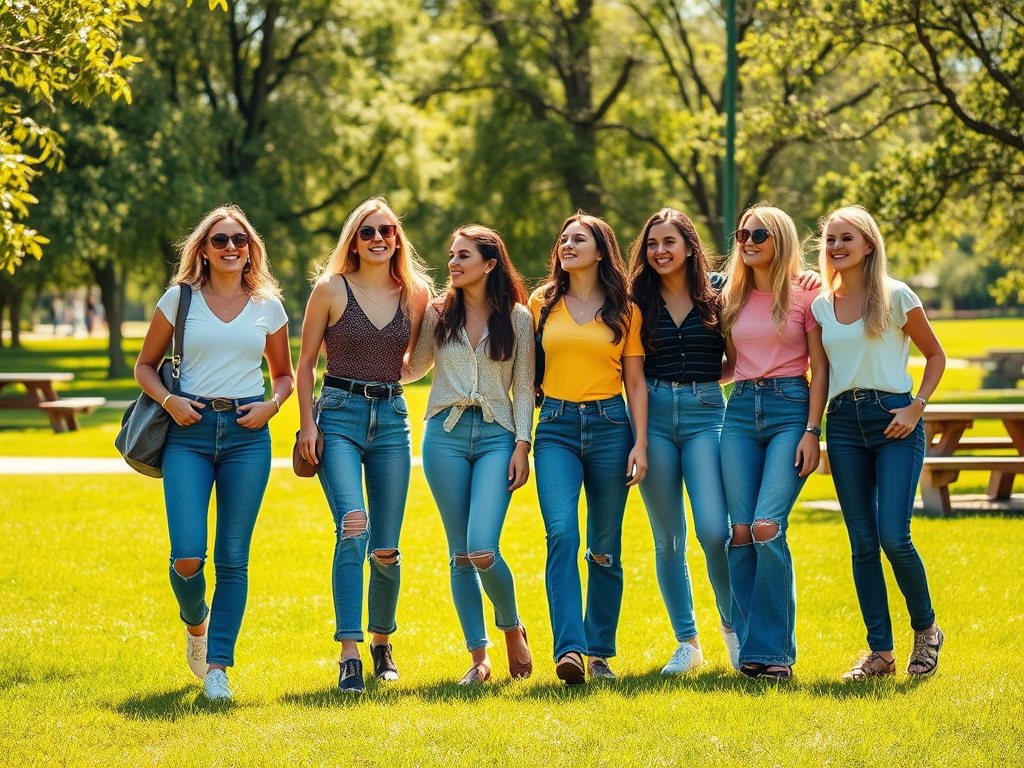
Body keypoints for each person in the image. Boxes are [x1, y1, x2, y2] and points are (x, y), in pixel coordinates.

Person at [134, 204, 294, 701]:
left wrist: (271, 406)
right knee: (187, 557)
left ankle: (219, 668)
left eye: (239, 241)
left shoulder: (268, 306)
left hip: (248, 435)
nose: (230, 248)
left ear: (251, 251)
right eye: (220, 240)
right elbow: (145, 366)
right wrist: (169, 399)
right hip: (190, 431)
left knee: (233, 558)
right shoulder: (179, 299)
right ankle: (195, 621)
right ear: (202, 249)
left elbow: (286, 375)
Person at [295, 197, 431, 694]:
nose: (379, 239)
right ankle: (349, 653)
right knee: (353, 526)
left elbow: (424, 355)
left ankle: (381, 643)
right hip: (339, 414)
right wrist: (308, 424)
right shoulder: (330, 289)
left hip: (392, 418)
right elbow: (305, 363)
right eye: (369, 231)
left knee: (387, 548)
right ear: (354, 238)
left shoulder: (415, 294)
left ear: (397, 238)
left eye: (388, 231)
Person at [812, 205, 946, 680]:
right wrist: (816, 431)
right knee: (863, 543)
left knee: (894, 535)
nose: (836, 247)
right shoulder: (820, 305)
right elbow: (821, 373)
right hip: (844, 424)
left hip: (895, 421)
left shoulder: (896, 296)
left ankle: (927, 631)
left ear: (869, 244)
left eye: (846, 238)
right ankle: (881, 654)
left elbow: (935, 355)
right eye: (830, 239)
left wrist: (917, 407)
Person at [403, 225, 534, 684]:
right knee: (459, 553)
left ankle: (512, 626)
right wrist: (355, 350)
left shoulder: (518, 318)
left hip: (499, 436)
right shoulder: (439, 313)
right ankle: (479, 659)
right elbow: (413, 368)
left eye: (464, 255)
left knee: (482, 547)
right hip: (445, 435)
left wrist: (523, 443)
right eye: (452, 255)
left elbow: (523, 387)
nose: (454, 263)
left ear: (490, 263)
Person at [530, 212, 648, 685]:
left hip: (610, 427)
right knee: (561, 534)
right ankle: (570, 650)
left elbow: (636, 382)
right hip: (555, 426)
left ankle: (598, 652)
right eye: (563, 238)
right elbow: (523, 371)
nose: (567, 244)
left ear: (601, 251)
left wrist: (640, 441)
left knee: (604, 547)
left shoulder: (626, 310)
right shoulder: (542, 303)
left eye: (579, 239)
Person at [718, 204, 828, 681]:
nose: (748, 240)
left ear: (779, 237)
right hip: (739, 412)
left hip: (790, 410)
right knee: (739, 533)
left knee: (767, 527)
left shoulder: (807, 294)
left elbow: (820, 368)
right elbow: (727, 365)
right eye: (742, 233)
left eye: (759, 233)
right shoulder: (730, 296)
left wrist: (812, 430)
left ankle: (776, 654)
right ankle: (751, 651)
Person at [626, 208, 738, 674]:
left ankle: (735, 631)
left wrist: (706, 388)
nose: (660, 251)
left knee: (716, 531)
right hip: (651, 419)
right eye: (652, 244)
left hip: (706, 416)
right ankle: (688, 644)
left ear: (689, 246)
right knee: (668, 538)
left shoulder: (720, 292)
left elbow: (735, 358)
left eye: (669, 242)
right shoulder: (635, 298)